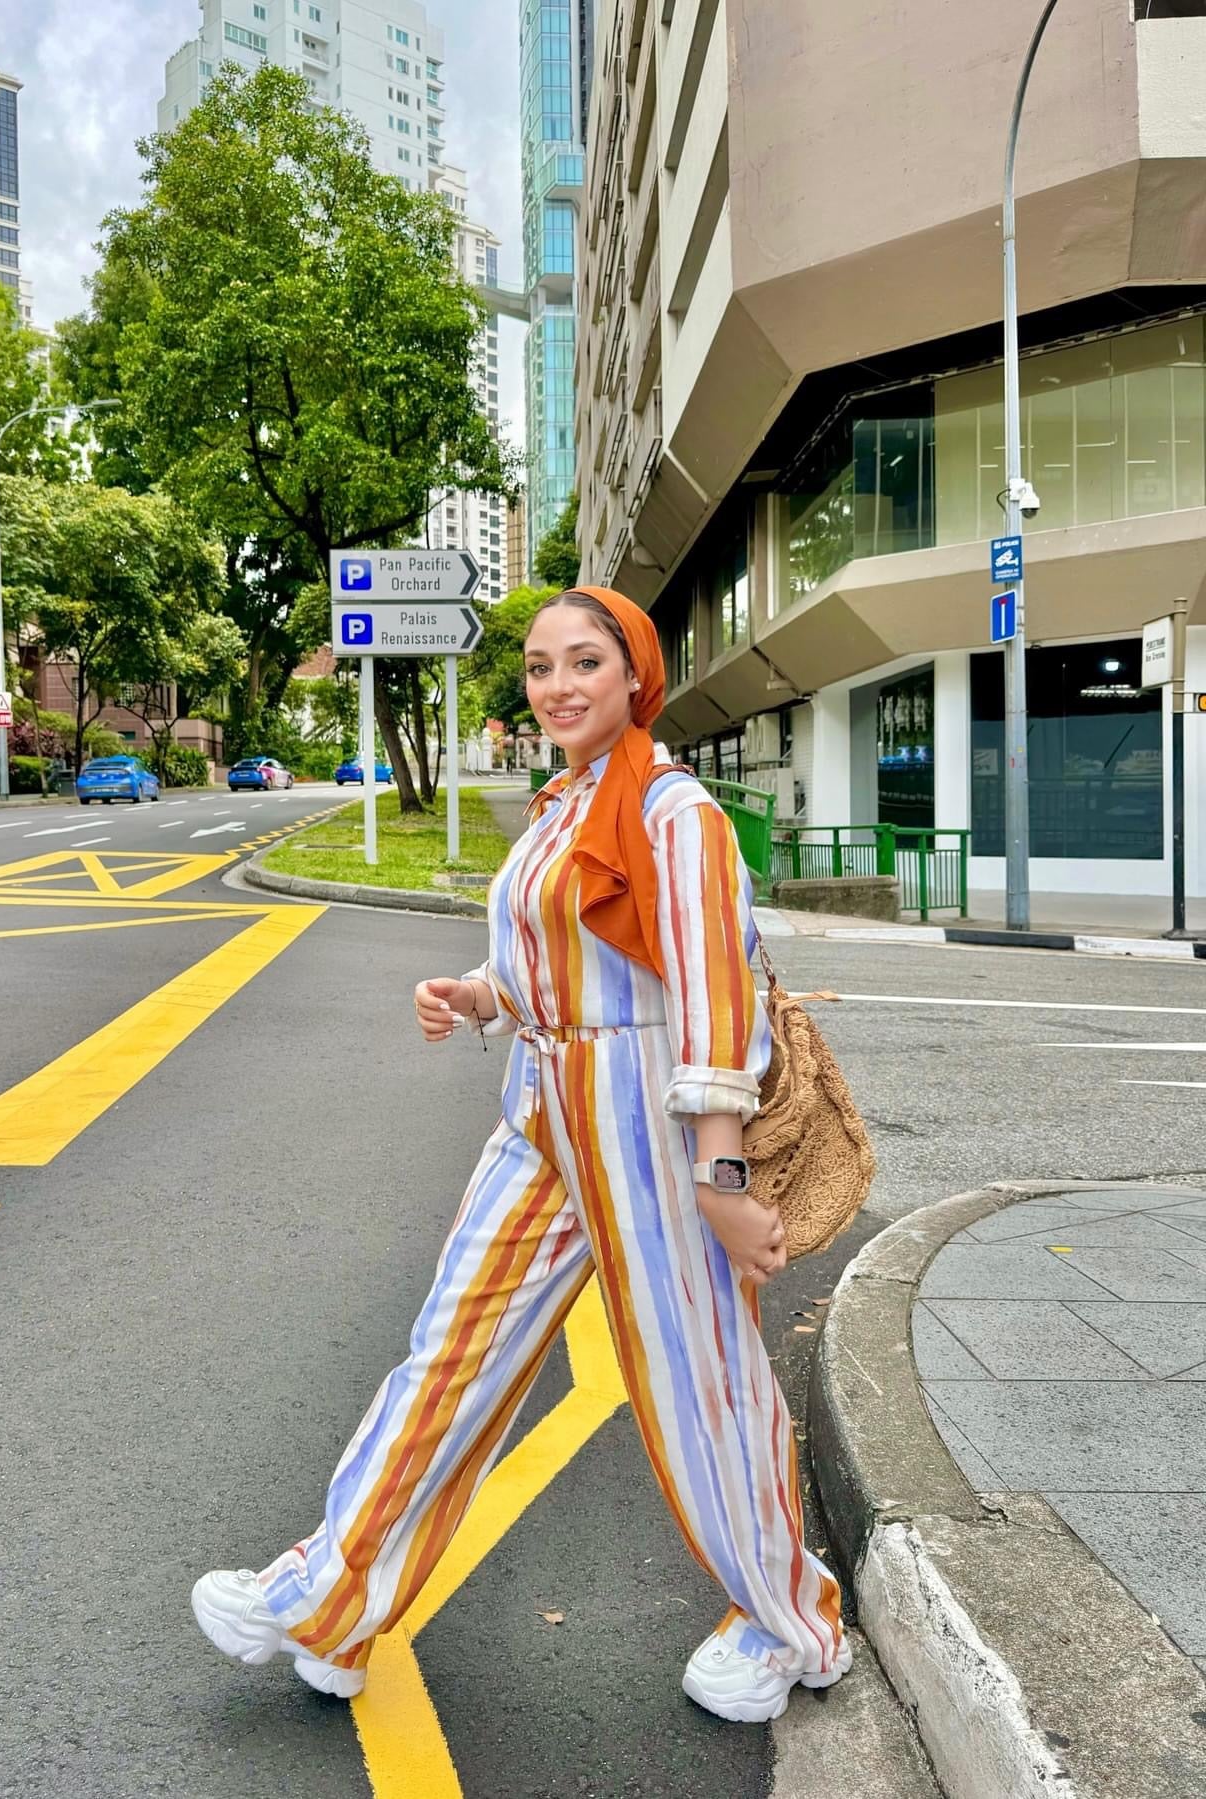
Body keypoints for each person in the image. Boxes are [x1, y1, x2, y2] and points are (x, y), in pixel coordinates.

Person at [191, 586, 847, 1722]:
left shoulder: (673, 812)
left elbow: (710, 997)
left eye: (584, 661)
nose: (559, 685)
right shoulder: (561, 804)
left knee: (700, 1383)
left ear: (636, 674)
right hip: (543, 1105)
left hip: (654, 1118)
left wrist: (723, 1173)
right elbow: (557, 961)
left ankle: (793, 1622)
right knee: (450, 1350)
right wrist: (479, 993)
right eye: (541, 666)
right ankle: (330, 1598)